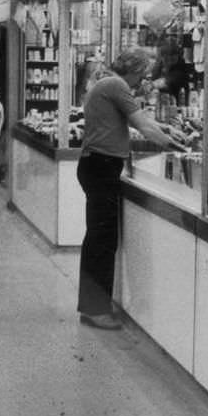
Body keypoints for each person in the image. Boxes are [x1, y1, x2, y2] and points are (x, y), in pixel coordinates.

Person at [77, 46, 179, 330]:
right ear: (134, 70)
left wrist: (167, 130)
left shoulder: (107, 82)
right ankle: (96, 310)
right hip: (101, 167)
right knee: (103, 241)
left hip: (96, 165)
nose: (142, 80)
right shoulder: (116, 84)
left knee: (97, 238)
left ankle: (91, 304)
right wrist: (174, 146)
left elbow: (141, 122)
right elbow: (144, 127)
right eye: (143, 74)